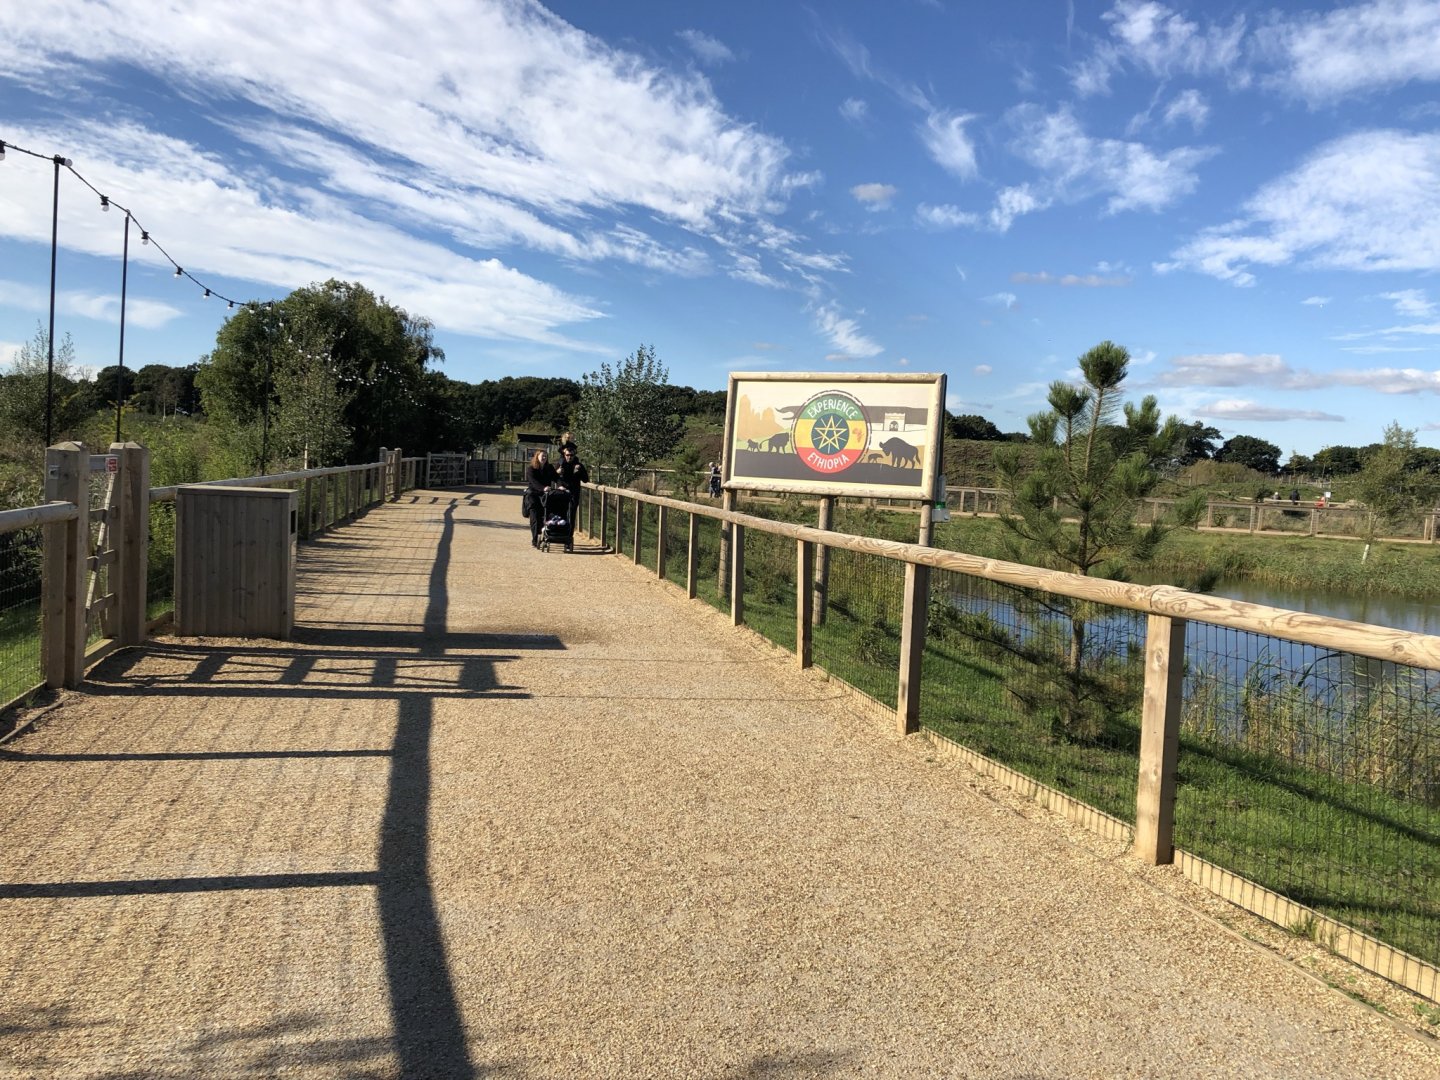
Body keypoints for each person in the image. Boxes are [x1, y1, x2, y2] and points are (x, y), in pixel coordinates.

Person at [555, 443, 589, 551]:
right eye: (567, 455)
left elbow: (586, 480)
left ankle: (568, 538)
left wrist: (580, 471)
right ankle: (559, 534)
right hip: (562, 493)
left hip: (574, 493)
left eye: (571, 455)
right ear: (564, 454)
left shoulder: (578, 465)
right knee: (561, 514)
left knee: (572, 515)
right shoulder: (560, 464)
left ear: (574, 455)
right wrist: (557, 473)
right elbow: (554, 478)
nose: (569, 457)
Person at [524, 448, 559, 548]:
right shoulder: (531, 469)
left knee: (546, 516)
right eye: (542, 456)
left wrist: (561, 485)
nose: (544, 458)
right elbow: (533, 482)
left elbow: (556, 478)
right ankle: (535, 540)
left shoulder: (549, 468)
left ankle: (547, 536)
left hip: (545, 496)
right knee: (535, 518)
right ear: (537, 457)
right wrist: (543, 488)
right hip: (533, 495)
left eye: (545, 456)